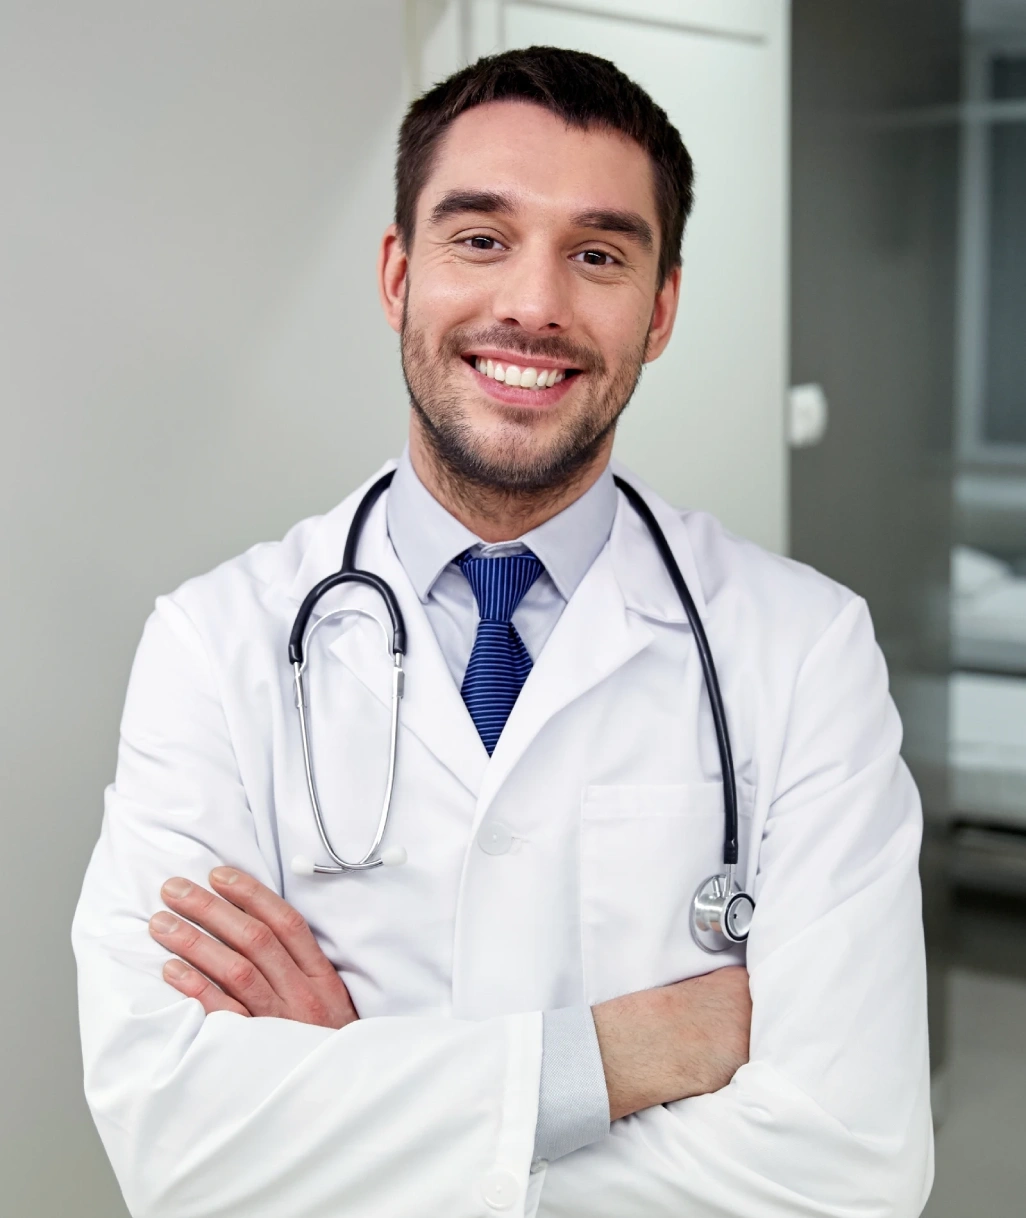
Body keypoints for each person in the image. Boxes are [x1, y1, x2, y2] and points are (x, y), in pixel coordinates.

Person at [73, 46, 933, 1218]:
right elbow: (175, 1142)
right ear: (398, 275)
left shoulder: (805, 650)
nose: (534, 305)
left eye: (598, 254)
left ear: (661, 309)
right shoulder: (214, 646)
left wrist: (354, 1097)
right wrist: (627, 1053)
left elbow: (854, 1166)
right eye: (481, 238)